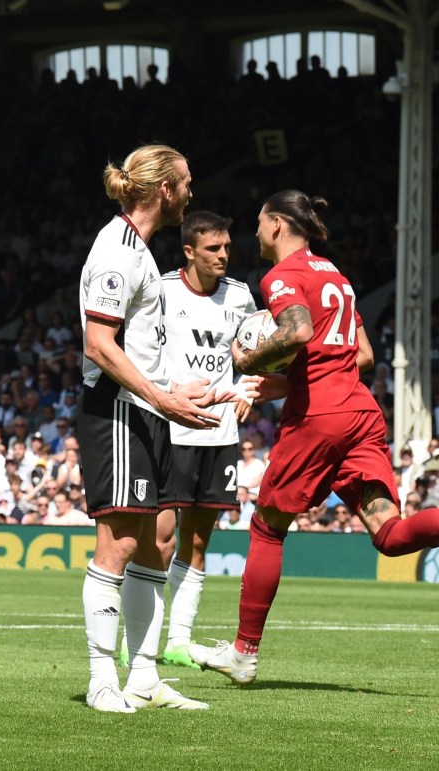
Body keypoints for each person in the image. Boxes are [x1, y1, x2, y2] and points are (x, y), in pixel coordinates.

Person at [189, 190, 439, 686]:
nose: (255, 233)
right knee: (389, 535)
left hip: (320, 417)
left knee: (266, 527)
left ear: (278, 225)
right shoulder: (336, 277)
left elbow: (299, 332)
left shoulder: (281, 277)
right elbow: (362, 355)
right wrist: (289, 381)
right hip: (360, 411)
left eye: (259, 222)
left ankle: (243, 652)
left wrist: (249, 360)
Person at [77, 144, 228, 713]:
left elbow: (139, 346)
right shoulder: (116, 250)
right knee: (117, 544)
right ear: (164, 189)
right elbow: (99, 343)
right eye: (186, 181)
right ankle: (101, 680)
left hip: (148, 411)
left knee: (156, 543)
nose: (192, 191)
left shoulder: (139, 251)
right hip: (117, 410)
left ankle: (143, 676)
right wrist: (161, 395)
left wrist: (175, 389)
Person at [120, 211, 256, 669]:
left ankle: (178, 639)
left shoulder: (239, 296)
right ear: (189, 251)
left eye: (226, 247)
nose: (223, 256)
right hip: (172, 425)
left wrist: (249, 388)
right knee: (158, 538)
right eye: (213, 249)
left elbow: (257, 350)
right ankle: (139, 635)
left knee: (198, 541)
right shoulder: (160, 289)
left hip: (220, 431)